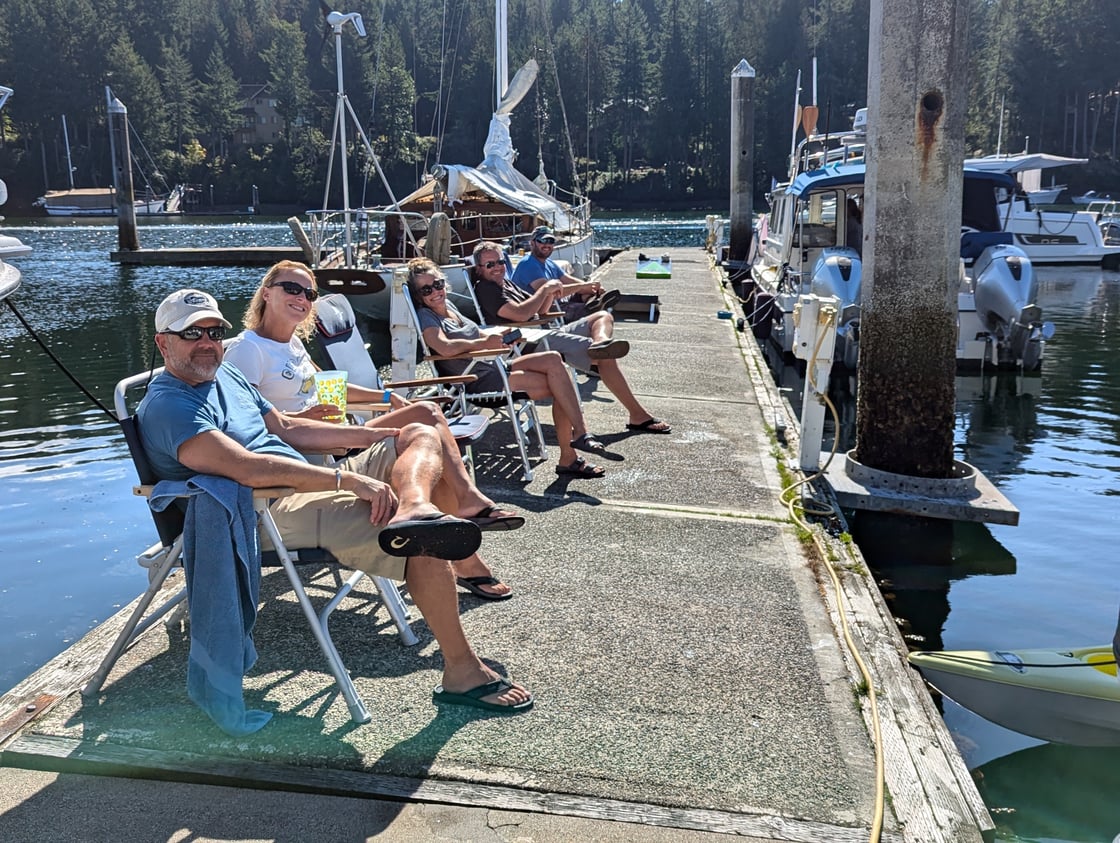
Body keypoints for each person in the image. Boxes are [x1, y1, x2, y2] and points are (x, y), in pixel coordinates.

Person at [138, 288, 532, 712]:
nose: (207, 343)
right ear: (163, 342)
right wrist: (346, 479)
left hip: (309, 484)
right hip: (260, 512)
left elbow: (289, 428)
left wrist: (374, 435)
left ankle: (414, 505)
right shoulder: (170, 406)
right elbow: (248, 469)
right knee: (423, 538)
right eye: (192, 333)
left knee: (419, 433)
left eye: (214, 332)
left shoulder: (226, 375)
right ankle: (461, 671)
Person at [224, 260, 520, 600]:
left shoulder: (291, 344)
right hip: (303, 457)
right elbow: (242, 422)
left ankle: (458, 535)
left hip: (332, 439)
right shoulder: (247, 349)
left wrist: (385, 396)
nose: (302, 298)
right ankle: (463, 539)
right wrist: (305, 416)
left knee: (425, 436)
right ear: (266, 293)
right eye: (291, 289)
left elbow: (328, 386)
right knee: (425, 425)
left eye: (309, 293)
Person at [407, 258, 609, 479]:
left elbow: (478, 333)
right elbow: (443, 347)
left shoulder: (450, 307)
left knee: (553, 359)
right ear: (419, 296)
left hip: (495, 366)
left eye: (438, 284)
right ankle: (571, 453)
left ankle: (579, 436)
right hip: (479, 380)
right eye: (426, 289)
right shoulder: (427, 317)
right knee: (559, 384)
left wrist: (499, 336)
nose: (435, 291)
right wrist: (482, 344)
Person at [472, 241, 671, 435]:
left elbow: (540, 311)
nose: (497, 267)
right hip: (528, 344)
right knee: (606, 358)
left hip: (541, 333)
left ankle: (600, 344)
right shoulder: (486, 288)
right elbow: (521, 315)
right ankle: (637, 414)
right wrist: (544, 289)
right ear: (479, 269)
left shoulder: (506, 283)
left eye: (500, 262)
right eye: (490, 264)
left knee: (602, 317)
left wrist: (549, 292)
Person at [510, 225, 620, 321]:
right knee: (590, 310)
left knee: (587, 292)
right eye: (542, 241)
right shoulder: (528, 264)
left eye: (551, 241)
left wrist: (592, 287)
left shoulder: (549, 263)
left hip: (557, 302)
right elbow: (551, 292)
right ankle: (594, 307)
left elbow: (569, 280)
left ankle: (595, 301)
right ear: (532, 243)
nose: (547, 245)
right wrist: (581, 286)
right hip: (541, 309)